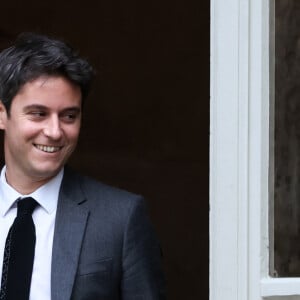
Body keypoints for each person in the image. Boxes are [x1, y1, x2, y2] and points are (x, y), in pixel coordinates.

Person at [0, 33, 166, 300]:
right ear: (2, 114)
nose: (54, 131)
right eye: (39, 114)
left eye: (68, 116)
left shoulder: (121, 219)